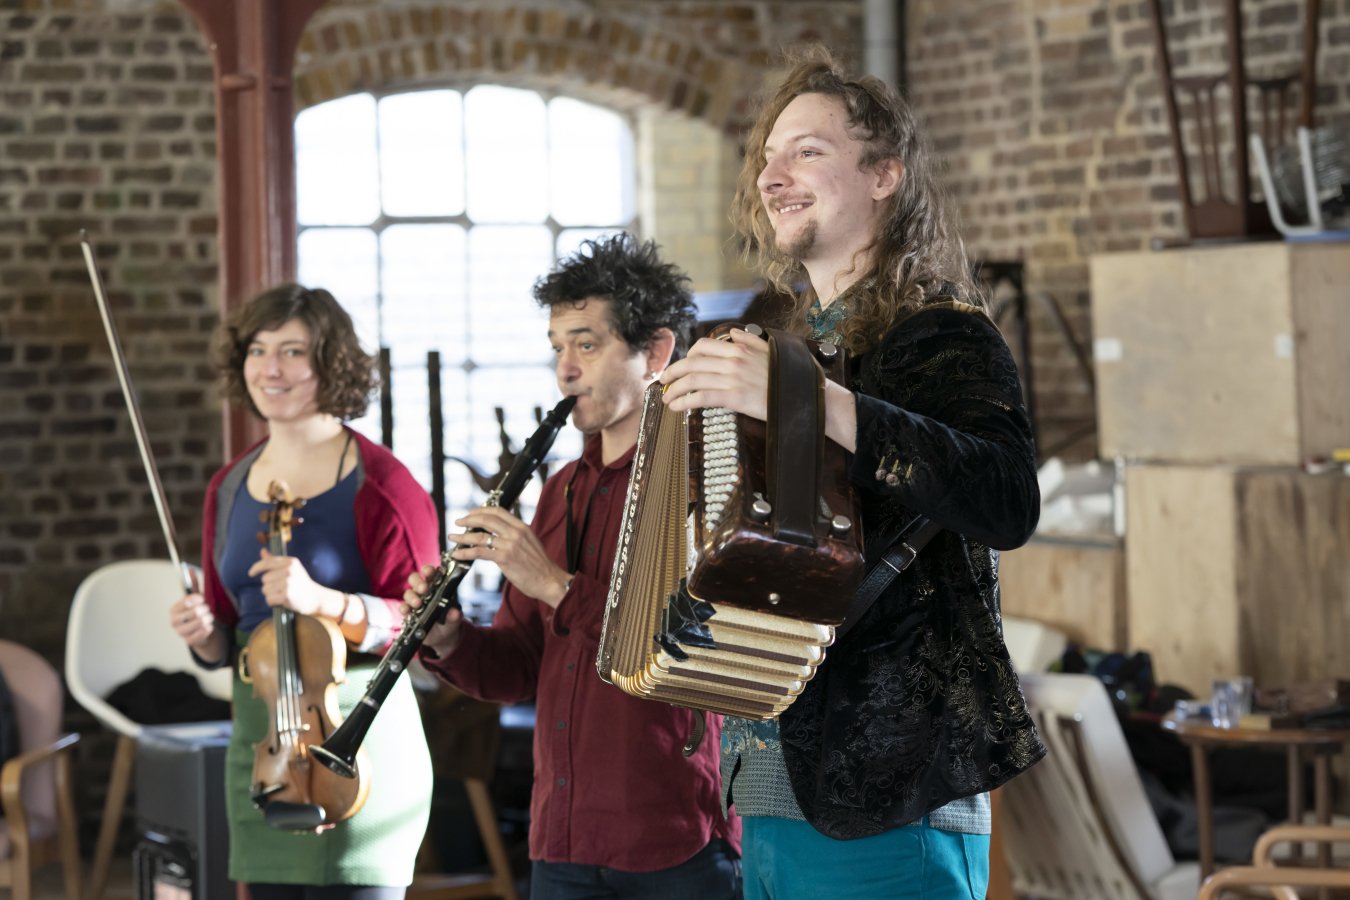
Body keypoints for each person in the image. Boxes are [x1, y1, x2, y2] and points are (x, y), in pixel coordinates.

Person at [660, 47, 1045, 899]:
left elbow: (1008, 499)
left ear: (883, 175)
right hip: (769, 787)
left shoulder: (944, 332)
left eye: (808, 151)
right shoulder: (788, 342)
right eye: (769, 157)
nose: (774, 176)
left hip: (893, 795)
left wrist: (808, 402)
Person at [404, 233, 741, 900]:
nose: (565, 370)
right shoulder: (560, 489)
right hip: (561, 839)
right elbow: (519, 669)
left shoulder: (704, 480)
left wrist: (555, 585)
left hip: (673, 841)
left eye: (587, 345)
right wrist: (448, 640)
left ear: (656, 352)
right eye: (557, 347)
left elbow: (694, 653)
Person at [169, 284, 440, 900]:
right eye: (258, 350)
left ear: (330, 363)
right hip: (262, 746)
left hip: (355, 749)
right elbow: (227, 635)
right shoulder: (228, 487)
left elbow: (424, 627)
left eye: (292, 352)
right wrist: (203, 635)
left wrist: (324, 602)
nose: (271, 369)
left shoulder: (384, 484)